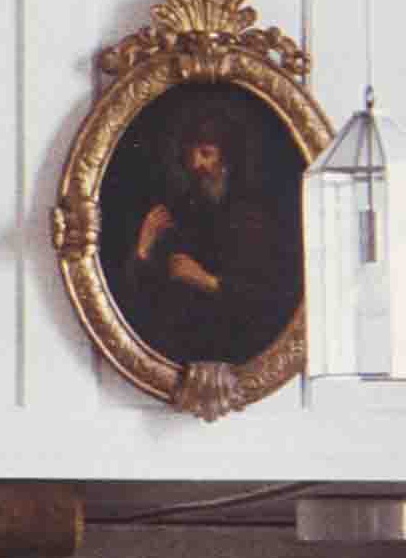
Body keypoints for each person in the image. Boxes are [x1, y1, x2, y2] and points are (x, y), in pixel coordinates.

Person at [108, 87, 300, 368]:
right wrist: (143, 247)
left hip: (233, 348)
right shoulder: (180, 209)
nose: (195, 164)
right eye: (191, 154)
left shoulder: (252, 216)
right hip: (175, 350)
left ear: (227, 161)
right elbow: (141, 297)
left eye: (206, 154)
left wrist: (207, 281)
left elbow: (270, 298)